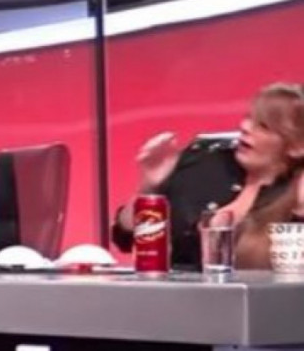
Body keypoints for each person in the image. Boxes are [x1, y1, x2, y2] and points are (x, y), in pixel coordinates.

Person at [112, 82, 304, 270]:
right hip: (176, 289)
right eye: (249, 117)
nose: (245, 126)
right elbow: (125, 237)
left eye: (263, 126)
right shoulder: (204, 161)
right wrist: (149, 187)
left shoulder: (296, 195)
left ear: (297, 147)